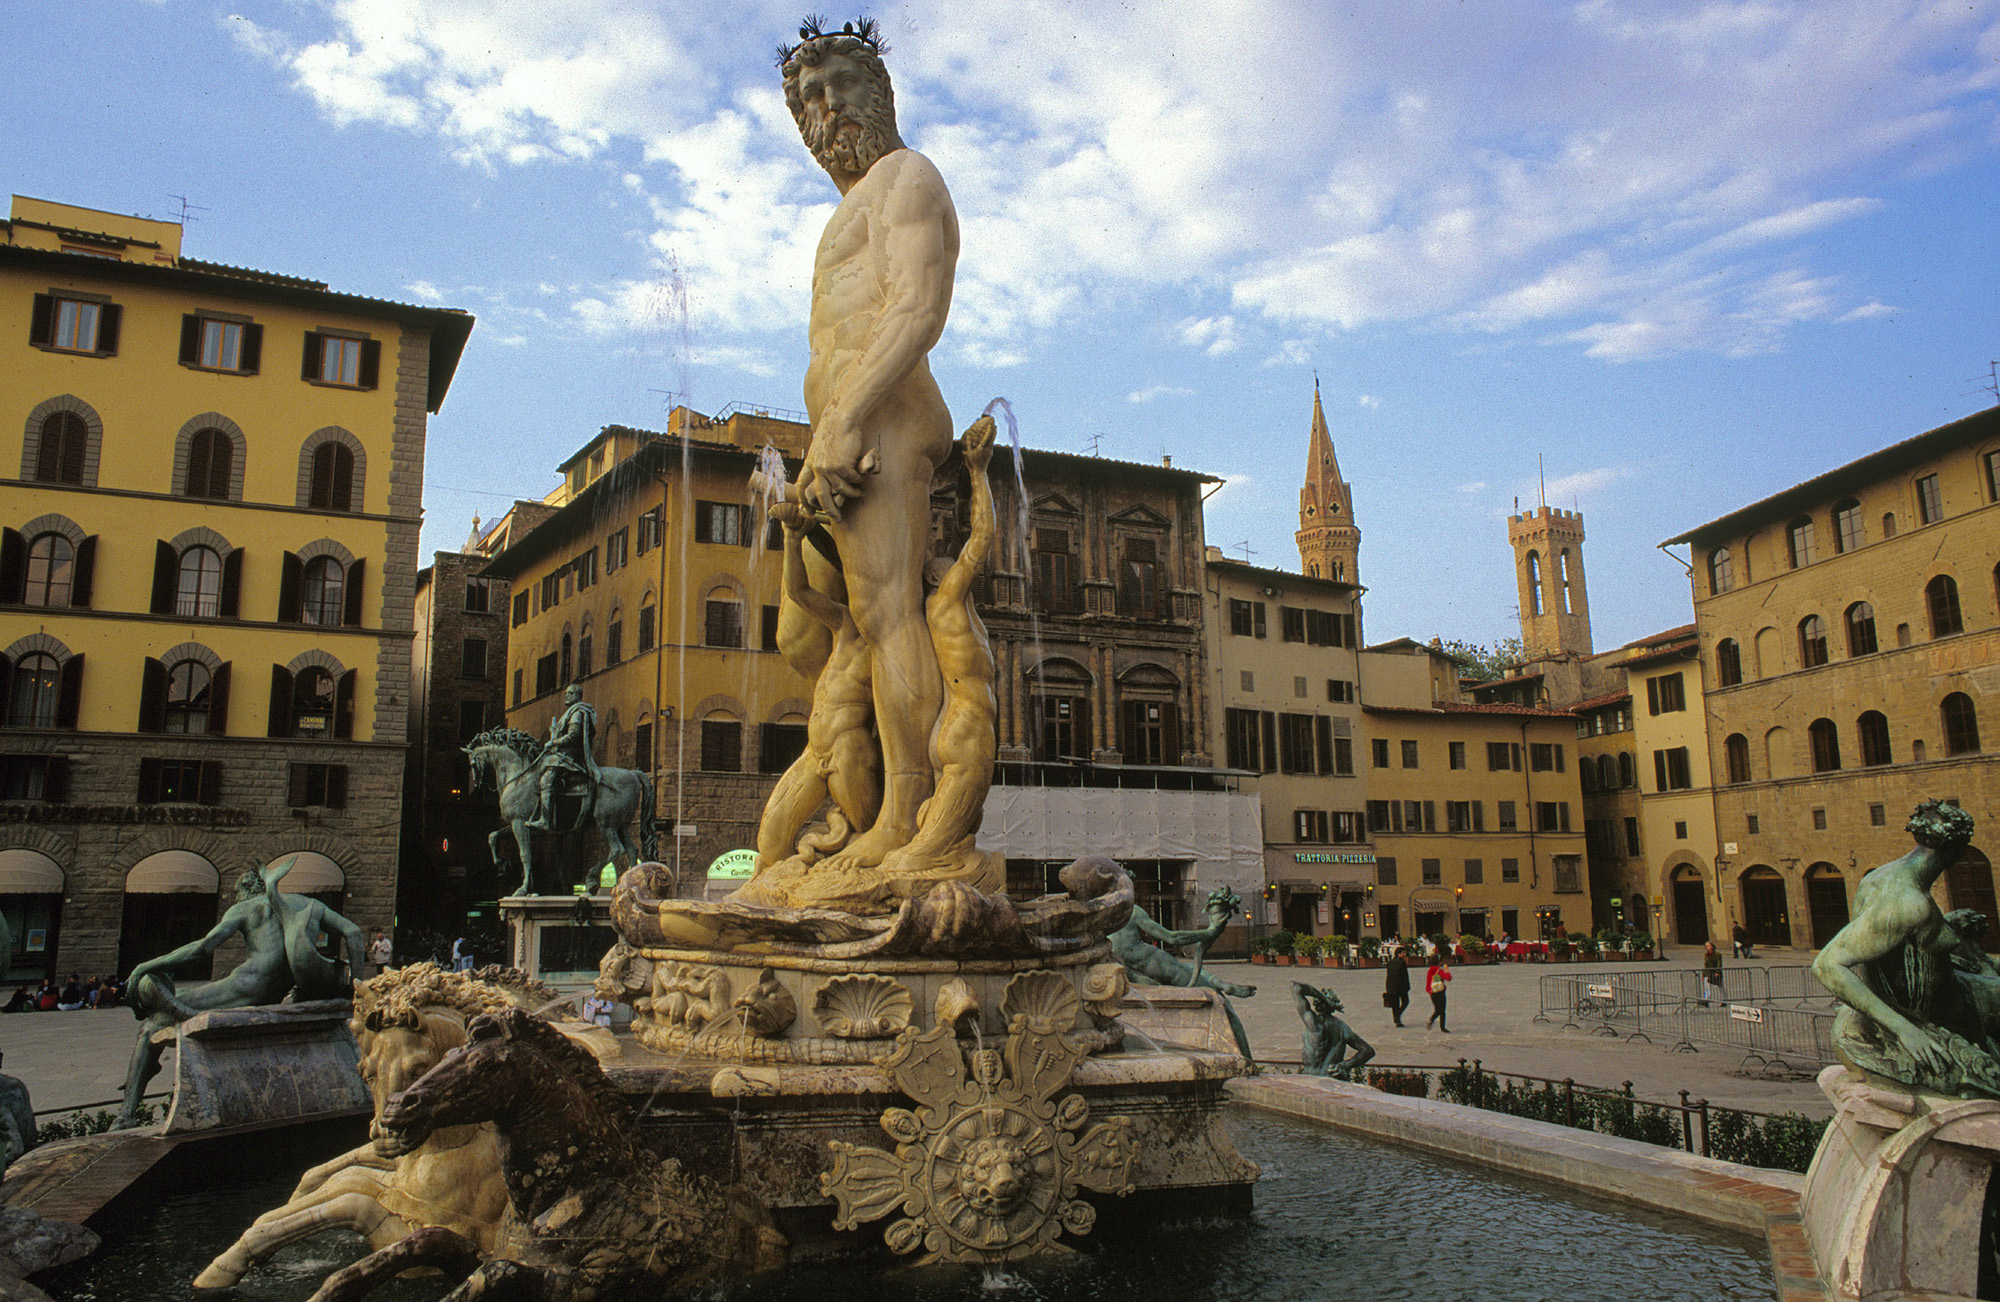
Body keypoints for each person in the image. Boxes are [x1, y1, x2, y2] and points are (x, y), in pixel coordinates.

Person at [766, 19, 962, 875]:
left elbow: (918, 308)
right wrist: (824, 432)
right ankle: (869, 802)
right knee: (812, 636)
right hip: (841, 429)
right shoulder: (845, 213)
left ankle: (908, 817)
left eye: (844, 86)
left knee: (888, 615)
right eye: (812, 98)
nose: (829, 107)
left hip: (882, 417)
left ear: (881, 95)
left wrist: (847, 419)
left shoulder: (907, 179)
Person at [118, 855, 367, 1126]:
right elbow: (353, 933)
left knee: (151, 1026)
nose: (234, 898)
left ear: (248, 889)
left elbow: (202, 948)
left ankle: (127, 1116)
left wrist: (145, 965)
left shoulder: (248, 907)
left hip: (245, 986)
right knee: (170, 1005)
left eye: (236, 892)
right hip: (269, 993)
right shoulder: (308, 904)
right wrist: (357, 985)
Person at [527, 683, 600, 832]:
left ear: (577, 695)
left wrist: (553, 741)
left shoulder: (577, 712)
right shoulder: (570, 712)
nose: (566, 696)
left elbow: (573, 737)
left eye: (569, 693)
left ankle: (545, 820)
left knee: (547, 779)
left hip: (570, 756)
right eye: (566, 693)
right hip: (562, 754)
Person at [1384, 950, 1411, 1027]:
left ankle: (1397, 1019)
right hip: (1401, 986)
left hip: (1391, 986)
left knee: (1395, 1004)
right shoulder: (1402, 963)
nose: (1405, 954)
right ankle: (1397, 1015)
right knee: (1405, 1001)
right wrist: (1407, 986)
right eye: (1403, 953)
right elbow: (1404, 976)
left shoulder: (1391, 962)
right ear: (1398, 954)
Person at [1425, 958, 1452, 1032]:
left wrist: (1429, 990)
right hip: (1440, 992)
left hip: (1432, 992)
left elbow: (1429, 981)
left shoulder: (1430, 970)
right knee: (1442, 1010)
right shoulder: (1439, 971)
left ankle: (1431, 1020)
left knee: (1437, 1009)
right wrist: (1446, 970)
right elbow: (1448, 978)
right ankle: (1442, 1027)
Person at [1701, 941, 1724, 1007]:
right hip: (1708, 972)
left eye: (1708, 945)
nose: (1707, 947)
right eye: (1706, 946)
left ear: (1712, 946)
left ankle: (1724, 1000)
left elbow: (1719, 964)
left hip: (1715, 972)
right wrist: (1703, 974)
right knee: (1707, 987)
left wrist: (1717, 972)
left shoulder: (1717, 954)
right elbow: (1706, 965)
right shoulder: (1706, 955)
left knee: (1720, 987)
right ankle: (1706, 1000)